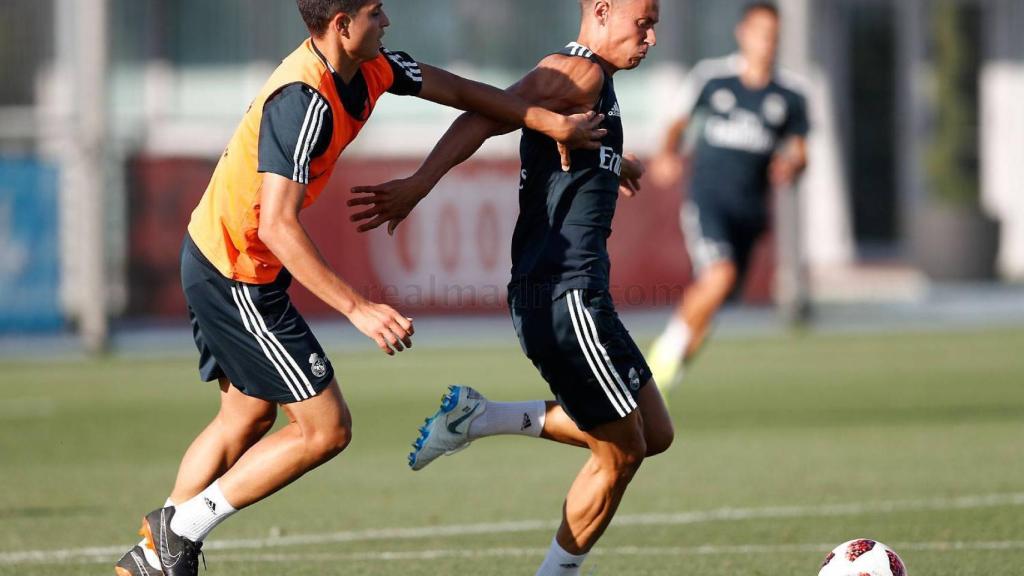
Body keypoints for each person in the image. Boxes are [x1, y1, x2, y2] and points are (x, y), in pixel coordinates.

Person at [113, 1, 607, 574]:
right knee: (326, 428)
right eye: (376, 12)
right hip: (236, 270)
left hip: (230, 258)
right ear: (342, 26)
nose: (388, 21)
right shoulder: (303, 101)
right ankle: (180, 531)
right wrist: (359, 308)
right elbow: (276, 224)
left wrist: (546, 121)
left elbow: (465, 93)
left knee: (245, 418)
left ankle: (152, 557)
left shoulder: (372, 68)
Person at [348, 1, 671, 574]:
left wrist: (616, 163)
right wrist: (421, 184)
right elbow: (483, 114)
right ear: (600, 11)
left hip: (581, 295)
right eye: (641, 22)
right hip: (563, 295)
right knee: (623, 452)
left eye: (654, 23)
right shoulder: (579, 69)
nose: (651, 35)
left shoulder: (598, 82)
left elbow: (558, 139)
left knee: (655, 433)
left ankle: (483, 417)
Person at [646, 1, 809, 395]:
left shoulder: (790, 94)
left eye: (773, 36)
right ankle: (655, 361)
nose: (766, 43)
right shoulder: (713, 79)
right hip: (708, 201)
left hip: (751, 213)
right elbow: (677, 124)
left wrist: (791, 166)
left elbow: (800, 151)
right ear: (742, 34)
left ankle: (663, 381)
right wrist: (668, 153)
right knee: (719, 275)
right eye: (759, 33)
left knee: (714, 301)